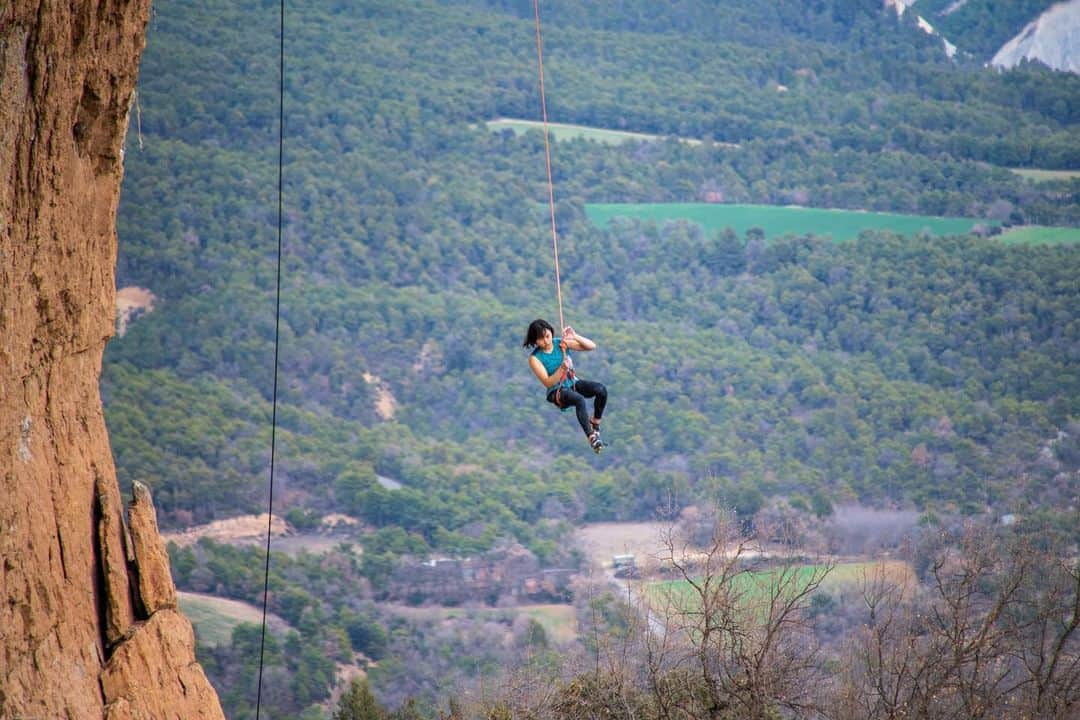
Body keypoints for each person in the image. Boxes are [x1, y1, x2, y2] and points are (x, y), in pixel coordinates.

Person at [523, 318, 607, 453]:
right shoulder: (535, 359)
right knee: (579, 399)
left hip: (572, 383)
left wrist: (575, 336)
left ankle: (595, 423)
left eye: (547, 336)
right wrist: (562, 368)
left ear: (551, 332)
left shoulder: (561, 343)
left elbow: (591, 346)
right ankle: (591, 436)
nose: (546, 341)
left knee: (601, 390)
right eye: (540, 339)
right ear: (534, 341)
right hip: (557, 391)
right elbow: (547, 381)